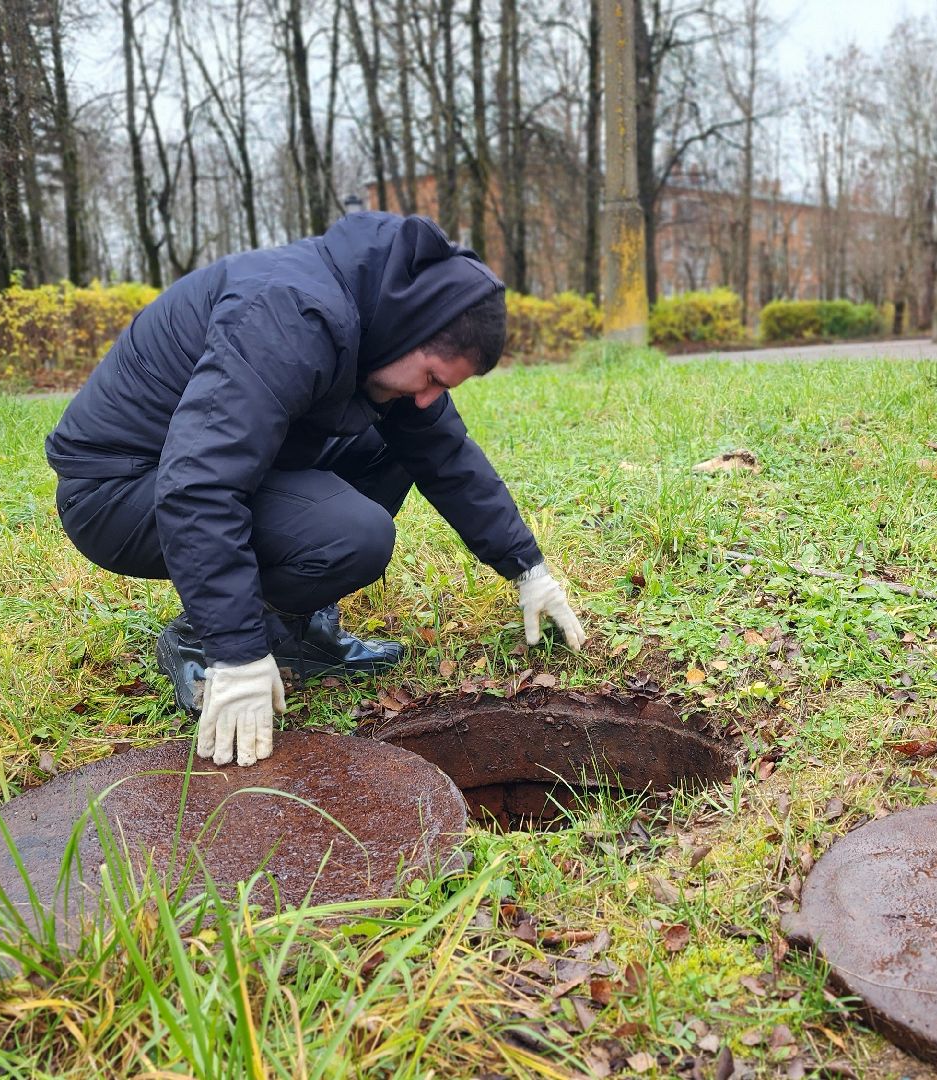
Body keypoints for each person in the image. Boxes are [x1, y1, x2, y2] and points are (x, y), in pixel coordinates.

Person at [46, 212, 586, 767]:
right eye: (432, 377)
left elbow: (444, 452)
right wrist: (236, 650)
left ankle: (294, 631)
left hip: (190, 469)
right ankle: (201, 638)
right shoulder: (289, 315)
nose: (431, 397)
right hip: (120, 487)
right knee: (354, 535)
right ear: (413, 327)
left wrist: (527, 566)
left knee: (398, 439)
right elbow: (198, 483)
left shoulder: (378, 324)